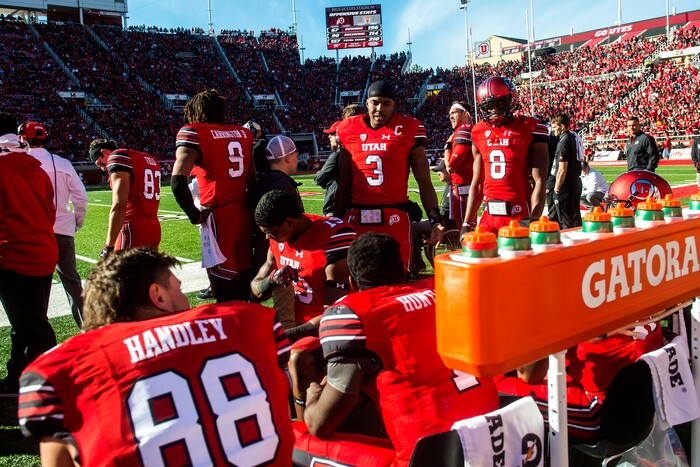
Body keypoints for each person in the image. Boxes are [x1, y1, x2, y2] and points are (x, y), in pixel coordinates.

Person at [18, 248, 294, 466]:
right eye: (178, 288)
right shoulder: (247, 322)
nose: (187, 301)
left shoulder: (61, 370)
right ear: (158, 296)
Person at [296, 233, 499, 467]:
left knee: (297, 439)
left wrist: (308, 395)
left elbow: (320, 424)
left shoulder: (353, 313)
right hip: (491, 436)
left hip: (433, 455)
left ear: (351, 282)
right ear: (403, 270)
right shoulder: (440, 290)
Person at [334, 80, 444, 272]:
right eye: (375, 102)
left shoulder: (409, 128)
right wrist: (335, 221)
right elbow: (344, 183)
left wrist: (435, 219)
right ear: (367, 103)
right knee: (359, 279)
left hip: (395, 217)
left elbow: (424, 182)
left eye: (386, 103)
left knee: (397, 279)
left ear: (394, 105)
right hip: (358, 217)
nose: (379, 108)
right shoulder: (348, 128)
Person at [497, 323, 663, 445]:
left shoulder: (573, 308)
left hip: (604, 412)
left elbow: (529, 376)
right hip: (651, 393)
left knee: (486, 387)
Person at [172, 89, 256, 302]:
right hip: (244, 213)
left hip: (219, 216)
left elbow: (177, 181)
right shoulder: (243, 133)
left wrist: (194, 215)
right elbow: (252, 180)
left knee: (224, 291)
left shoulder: (194, 132)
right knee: (244, 285)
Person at [0, 112, 57, 394]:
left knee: (33, 326)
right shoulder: (38, 168)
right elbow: (50, 212)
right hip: (43, 251)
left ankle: (55, 380)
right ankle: (16, 377)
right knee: (25, 321)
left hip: (15, 256)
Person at [252, 188, 355, 328]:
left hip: (325, 329)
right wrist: (271, 281)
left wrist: (290, 336)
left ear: (289, 223)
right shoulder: (278, 239)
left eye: (271, 232)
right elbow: (255, 293)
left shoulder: (333, 236)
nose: (267, 237)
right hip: (292, 324)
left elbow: (334, 314)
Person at [20, 121, 88, 327]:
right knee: (72, 281)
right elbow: (81, 197)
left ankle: (36, 331)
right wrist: (75, 222)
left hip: (32, 232)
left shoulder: (19, 162)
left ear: (23, 138)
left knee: (34, 284)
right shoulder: (63, 163)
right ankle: (88, 327)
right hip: (63, 230)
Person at [464, 76, 549, 235]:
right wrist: (466, 223)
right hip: (489, 214)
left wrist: (533, 218)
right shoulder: (478, 131)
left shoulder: (530, 127)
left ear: (511, 99)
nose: (493, 111)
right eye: (489, 107)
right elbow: (477, 183)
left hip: (518, 213)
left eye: (498, 104)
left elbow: (540, 180)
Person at [253, 135, 305, 328]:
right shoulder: (281, 184)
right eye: (296, 156)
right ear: (288, 157)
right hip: (281, 254)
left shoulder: (266, 180)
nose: (297, 160)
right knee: (288, 315)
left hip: (268, 251)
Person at [89, 139, 161, 256]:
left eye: (101, 163)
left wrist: (109, 245)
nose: (103, 168)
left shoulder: (118, 158)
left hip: (133, 227)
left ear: (104, 152)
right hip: (154, 226)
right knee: (148, 273)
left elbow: (119, 206)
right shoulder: (147, 158)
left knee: (122, 272)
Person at [315, 104, 363, 216]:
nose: (329, 137)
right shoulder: (360, 149)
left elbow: (319, 179)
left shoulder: (339, 154)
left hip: (337, 208)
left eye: (332, 134)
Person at [547, 113, 583, 229]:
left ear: (562, 126)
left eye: (554, 127)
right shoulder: (574, 137)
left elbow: (562, 168)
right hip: (575, 182)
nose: (553, 130)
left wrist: (557, 188)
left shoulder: (563, 142)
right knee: (574, 218)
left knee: (565, 221)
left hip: (565, 185)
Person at [443, 101, 473, 230]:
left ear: (465, 113)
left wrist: (447, 146)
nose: (450, 116)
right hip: (463, 187)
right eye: (450, 113)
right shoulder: (462, 131)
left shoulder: (464, 131)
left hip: (463, 189)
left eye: (454, 112)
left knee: (465, 229)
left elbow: (451, 166)